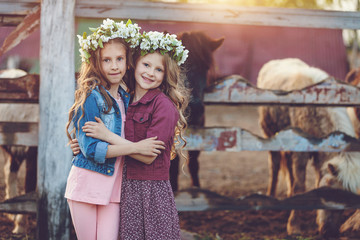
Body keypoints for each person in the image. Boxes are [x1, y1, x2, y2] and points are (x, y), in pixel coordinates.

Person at [72, 30, 190, 239]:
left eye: (158, 69)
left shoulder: (163, 106)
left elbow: (148, 154)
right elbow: (93, 143)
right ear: (134, 65)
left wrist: (107, 136)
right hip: (124, 186)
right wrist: (81, 144)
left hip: (149, 189)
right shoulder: (127, 99)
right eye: (146, 65)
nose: (150, 73)